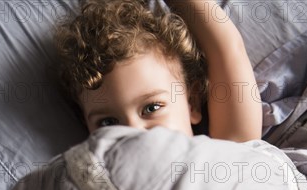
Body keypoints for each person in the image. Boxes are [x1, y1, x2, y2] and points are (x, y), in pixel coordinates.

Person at [54, 0, 262, 142]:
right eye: (107, 123)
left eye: (152, 108)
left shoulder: (229, 157)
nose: (133, 133)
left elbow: (225, 48)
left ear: (192, 103)